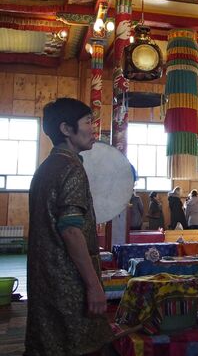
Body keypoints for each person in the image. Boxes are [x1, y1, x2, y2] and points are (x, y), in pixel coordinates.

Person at [25, 98, 113, 355]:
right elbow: (71, 231)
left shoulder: (46, 168)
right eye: (88, 122)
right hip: (69, 284)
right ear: (66, 129)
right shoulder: (71, 168)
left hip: (45, 281)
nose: (93, 129)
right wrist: (94, 284)